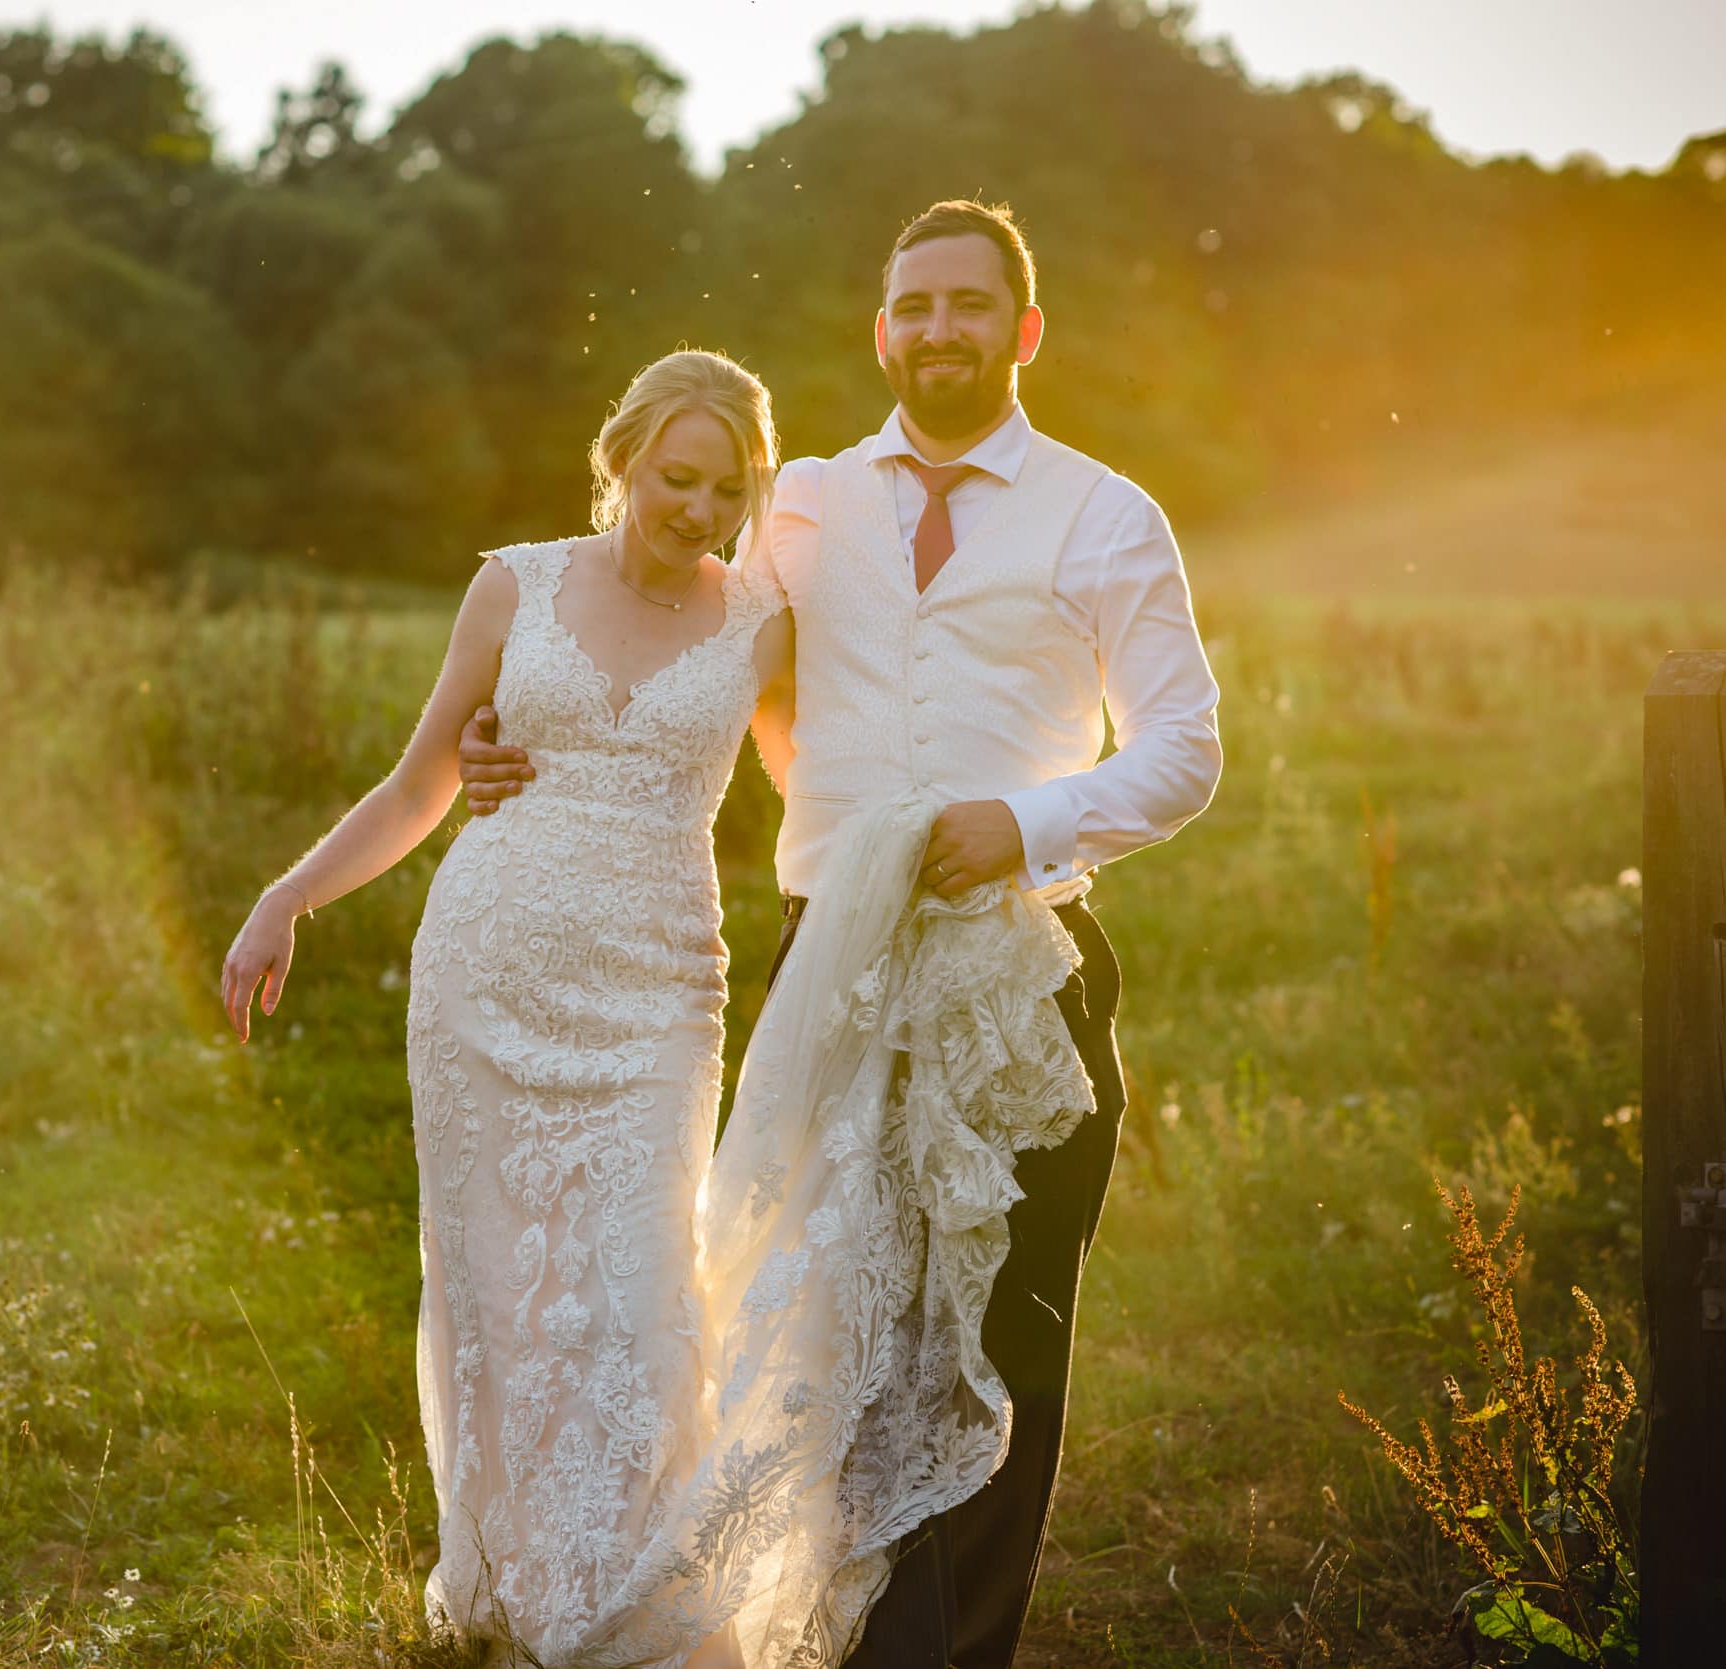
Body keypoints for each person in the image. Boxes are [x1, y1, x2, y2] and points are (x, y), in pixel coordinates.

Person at [460, 199, 1223, 1667]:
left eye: (970, 305)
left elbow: (1187, 748)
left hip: (1025, 976)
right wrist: (512, 723)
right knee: (834, 1339)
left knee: (1000, 1351)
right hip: (837, 971)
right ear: (883, 332)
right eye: (915, 307)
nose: (941, 330)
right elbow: (676, 626)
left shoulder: (1106, 512)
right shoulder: (804, 497)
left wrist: (1032, 820)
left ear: (1023, 330)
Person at [221, 349, 796, 1664]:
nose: (697, 509)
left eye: (725, 488)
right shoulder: (514, 585)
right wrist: (286, 897)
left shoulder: (766, 623)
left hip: (659, 990)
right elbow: (420, 783)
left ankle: (629, 1588)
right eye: (676, 477)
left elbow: (815, 784)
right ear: (624, 461)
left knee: (643, 1290)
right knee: (500, 1291)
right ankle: (513, 1578)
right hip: (486, 972)